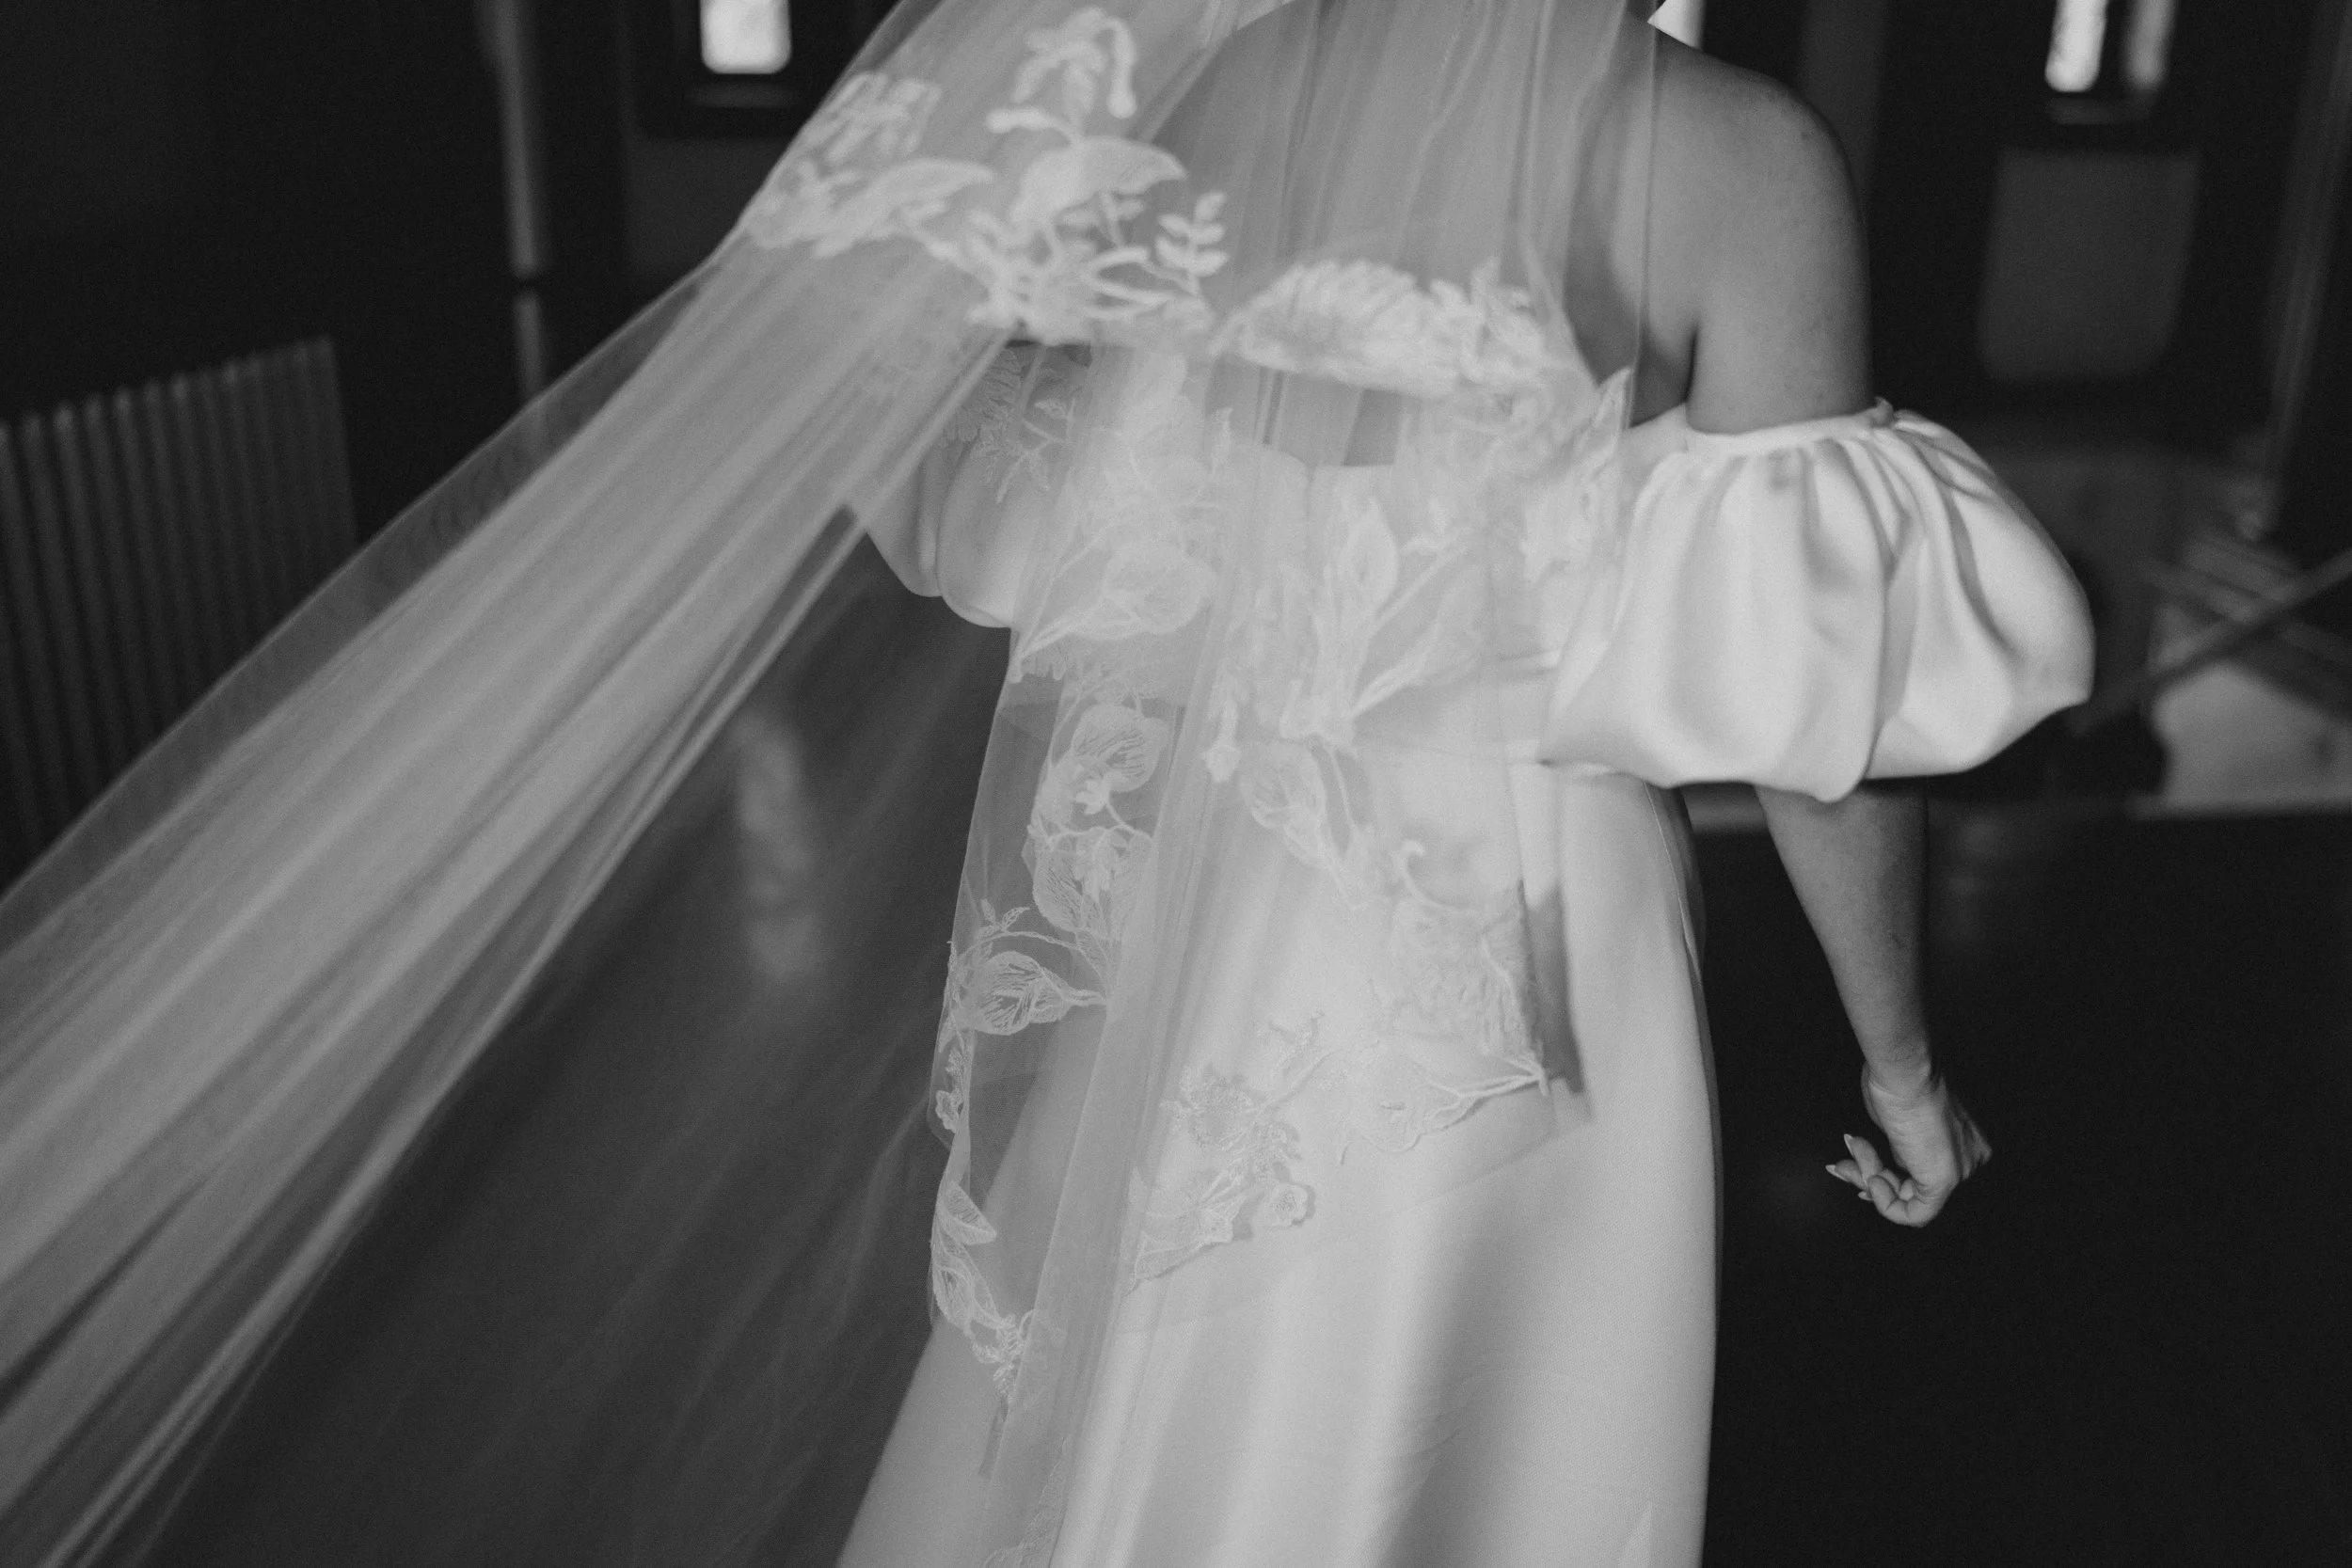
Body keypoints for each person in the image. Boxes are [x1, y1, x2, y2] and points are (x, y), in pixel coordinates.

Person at [0, 2, 2088, 1563]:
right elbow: (1818, 714)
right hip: (1529, 952)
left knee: (1133, 1420)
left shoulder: (1191, 86)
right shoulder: (1730, 157)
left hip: (1200, 911)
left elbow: (1072, 518)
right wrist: (1901, 1067)